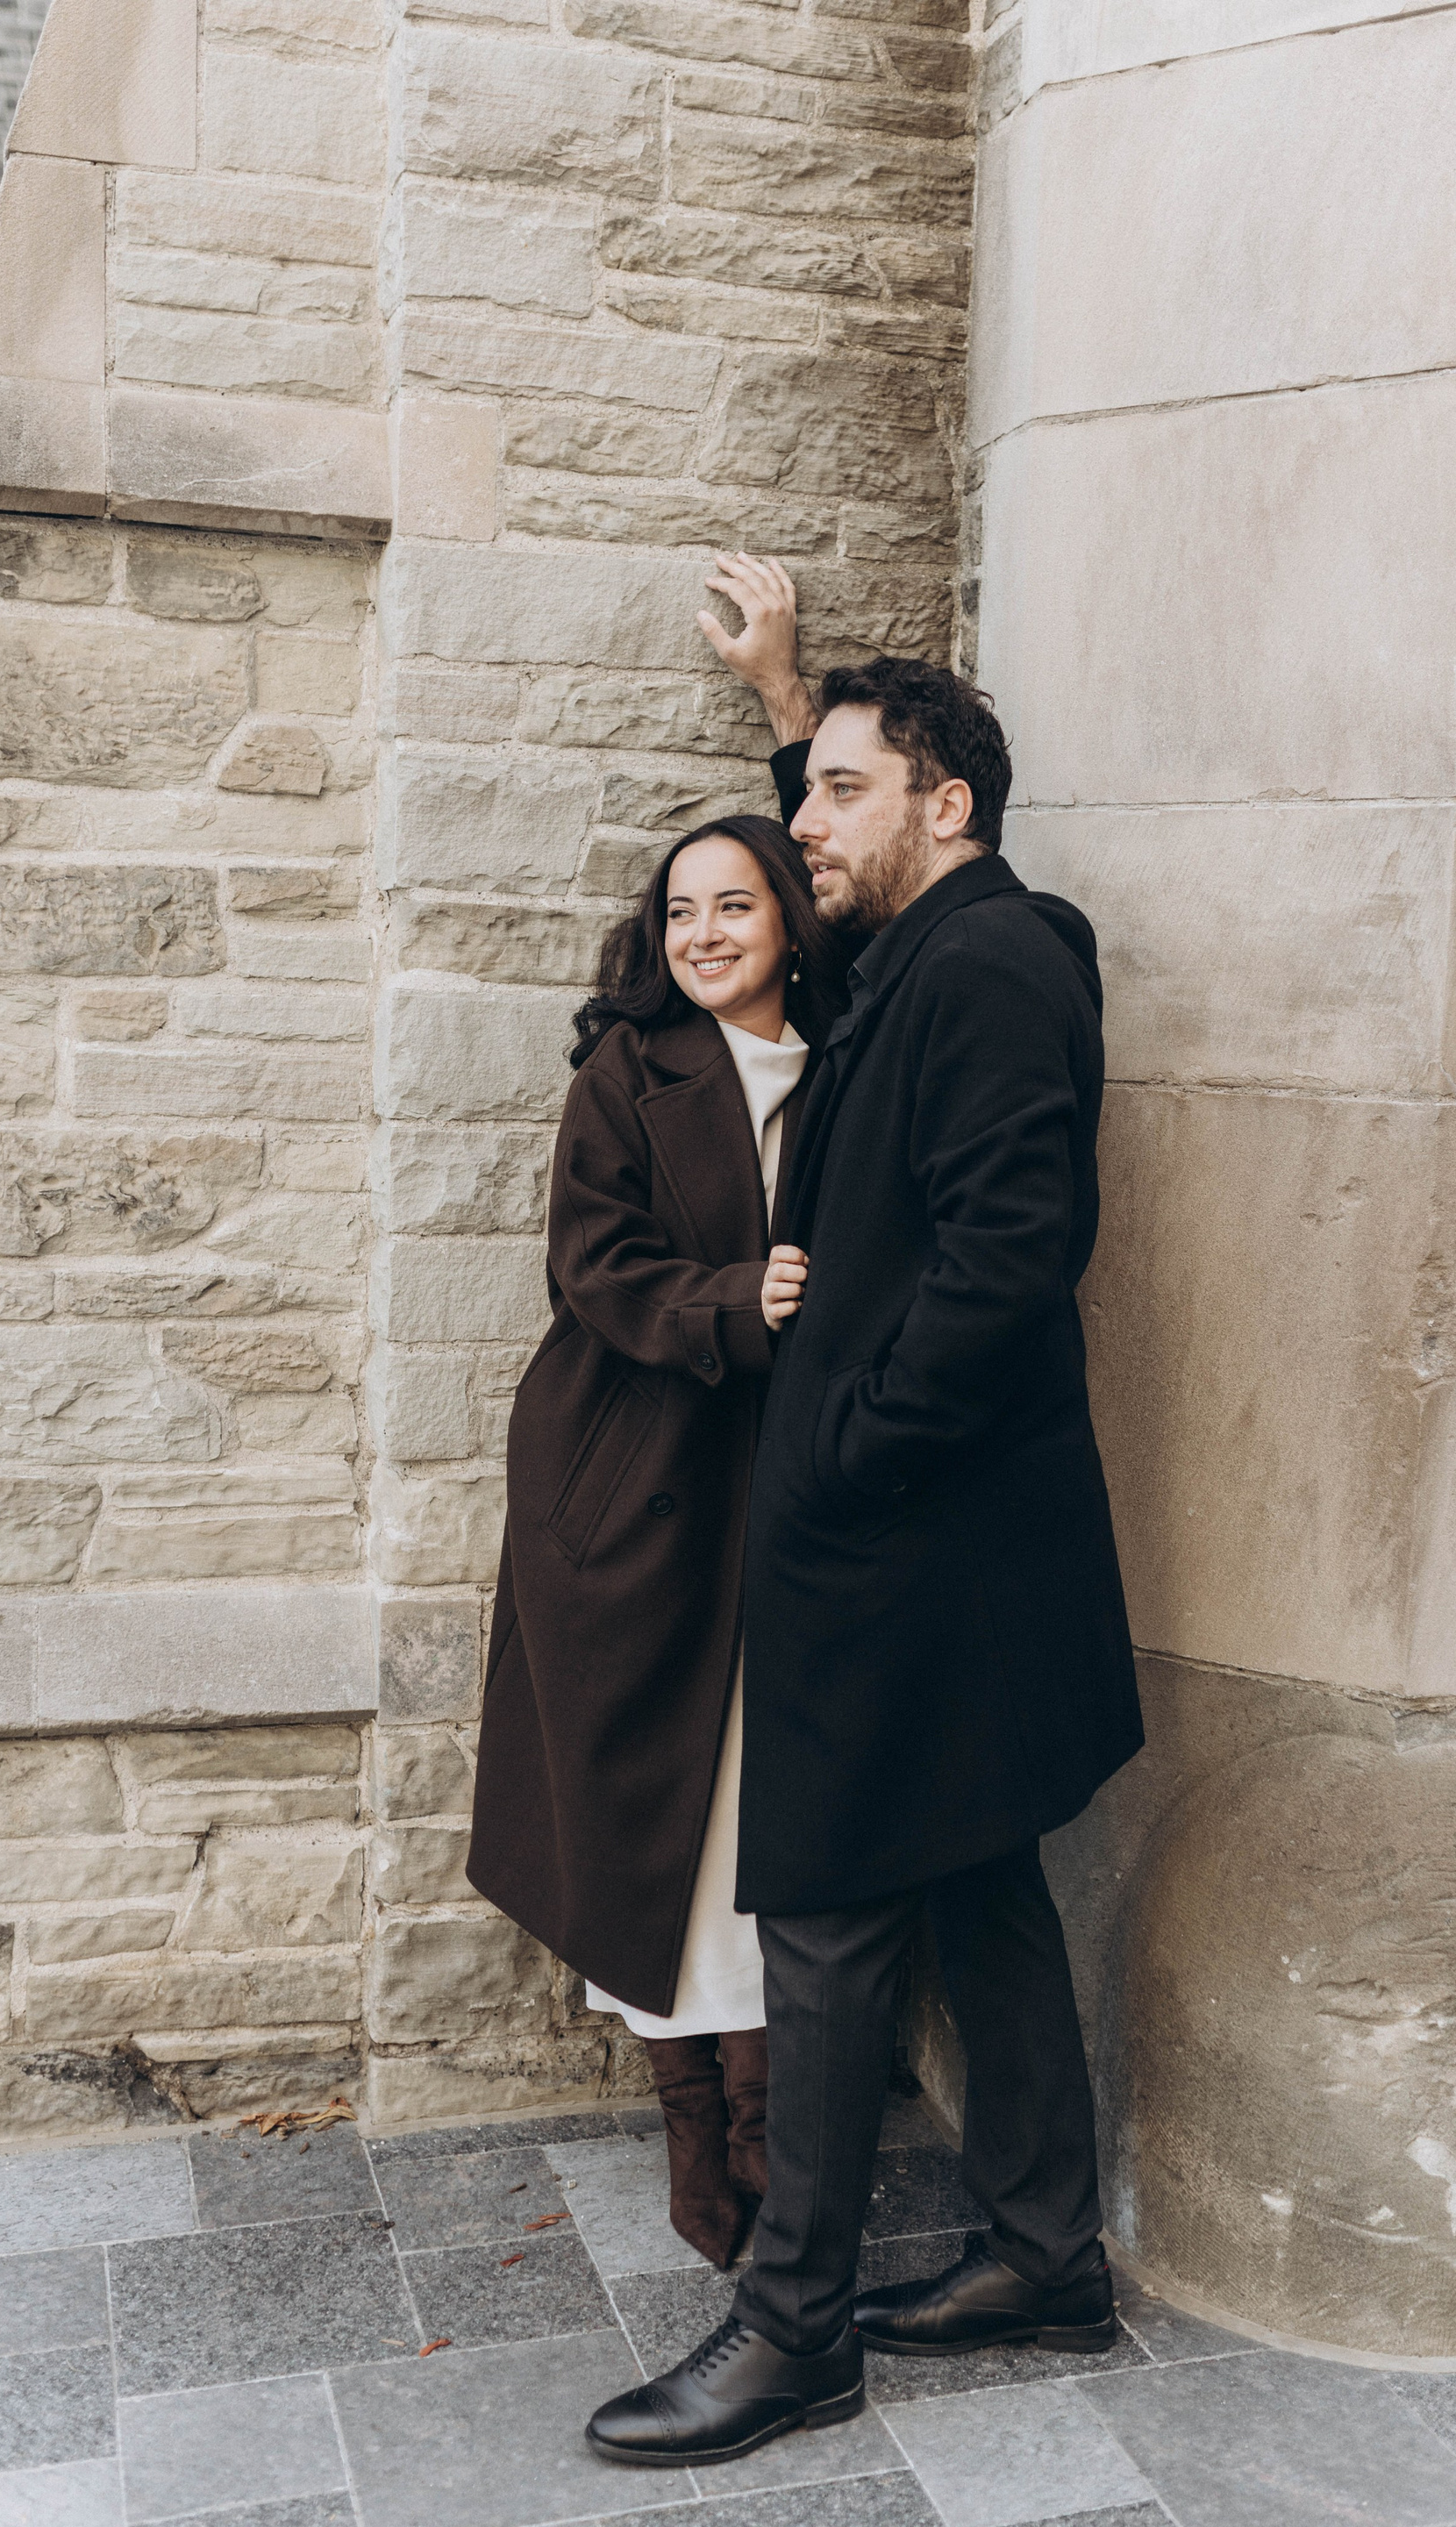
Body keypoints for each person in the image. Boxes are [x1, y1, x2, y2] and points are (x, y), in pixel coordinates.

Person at [586, 562, 1144, 2467]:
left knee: (826, 1918)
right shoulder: (929, 950)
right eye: (805, 790)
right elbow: (836, 913)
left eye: (838, 792)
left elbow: (1010, 1262)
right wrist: (789, 701)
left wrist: (847, 1456)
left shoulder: (993, 962)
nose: (803, 826)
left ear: (948, 804)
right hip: (946, 1546)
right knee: (982, 1886)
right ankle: (1048, 2255)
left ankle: (795, 2327)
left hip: (914, 1545)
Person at [466, 812, 845, 2271]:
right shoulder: (628, 1070)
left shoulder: (847, 1063)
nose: (702, 933)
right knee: (644, 1834)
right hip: (629, 1492)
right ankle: (696, 2126)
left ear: (790, 918)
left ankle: (763, 2122)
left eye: (733, 905)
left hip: (789, 1508)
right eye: (681, 910)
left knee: (754, 1827)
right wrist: (738, 1301)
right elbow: (594, 1265)